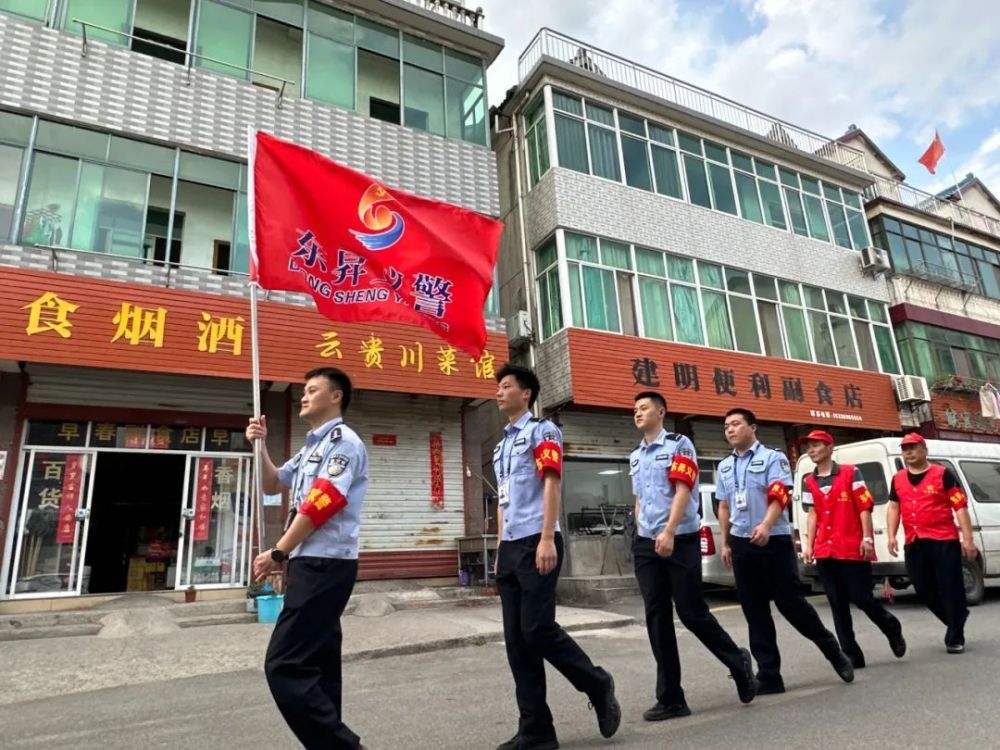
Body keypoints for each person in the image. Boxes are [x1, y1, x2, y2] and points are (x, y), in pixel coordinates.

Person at [493, 364, 620, 750]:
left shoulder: (542, 431)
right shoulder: (500, 446)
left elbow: (552, 481)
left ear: (526, 393)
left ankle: (597, 683)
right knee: (517, 642)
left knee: (537, 629)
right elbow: (503, 500)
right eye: (497, 387)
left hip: (538, 539)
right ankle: (537, 729)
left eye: (506, 386)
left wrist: (548, 537)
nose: (498, 392)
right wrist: (500, 549)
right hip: (511, 546)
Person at [246, 367, 368, 750]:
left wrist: (279, 550)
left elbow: (323, 501)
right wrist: (260, 445)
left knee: (283, 664)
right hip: (308, 561)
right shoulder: (312, 446)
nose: (304, 396)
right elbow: (271, 483)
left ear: (336, 396)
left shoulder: (343, 442)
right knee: (319, 665)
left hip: (324, 562)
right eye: (303, 390)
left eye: (312, 390)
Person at [630, 392, 756, 721]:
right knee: (656, 617)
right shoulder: (635, 456)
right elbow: (640, 499)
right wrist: (641, 531)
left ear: (661, 411)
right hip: (646, 544)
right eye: (634, 410)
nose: (638, 413)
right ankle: (671, 698)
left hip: (680, 538)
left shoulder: (679, 445)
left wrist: (669, 531)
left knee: (691, 612)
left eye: (643, 408)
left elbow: (683, 489)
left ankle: (737, 660)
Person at [716, 408, 853, 694]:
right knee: (755, 611)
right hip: (742, 543)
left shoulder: (773, 458)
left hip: (773, 540)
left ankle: (833, 651)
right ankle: (769, 676)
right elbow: (725, 505)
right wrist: (726, 542)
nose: (730, 429)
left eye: (736, 424)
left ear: (752, 427)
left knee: (792, 606)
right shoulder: (724, 467)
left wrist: (766, 525)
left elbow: (780, 493)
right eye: (726, 426)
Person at [799, 429, 906, 668]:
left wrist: (867, 538)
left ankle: (891, 626)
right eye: (808, 446)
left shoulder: (850, 473)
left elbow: (863, 507)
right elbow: (813, 514)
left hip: (851, 546)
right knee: (837, 603)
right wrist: (809, 544)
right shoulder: (808, 480)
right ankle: (851, 654)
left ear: (829, 448)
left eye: (816, 445)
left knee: (862, 598)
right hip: (825, 549)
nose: (811, 450)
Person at [887, 433, 978, 654]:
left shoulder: (943, 474)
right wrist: (891, 535)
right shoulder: (898, 479)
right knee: (923, 588)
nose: (908, 452)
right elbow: (893, 507)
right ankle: (956, 618)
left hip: (943, 540)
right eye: (905, 448)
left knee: (951, 588)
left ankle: (955, 636)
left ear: (924, 450)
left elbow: (960, 506)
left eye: (913, 447)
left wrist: (968, 539)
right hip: (915, 541)